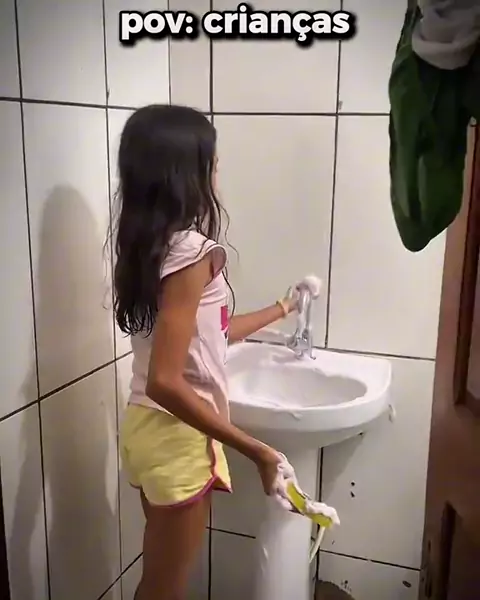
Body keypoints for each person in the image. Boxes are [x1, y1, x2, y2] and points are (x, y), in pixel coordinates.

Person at [112, 104, 298, 600]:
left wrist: (282, 308)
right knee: (165, 589)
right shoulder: (195, 253)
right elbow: (166, 380)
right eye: (212, 163)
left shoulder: (149, 248)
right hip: (177, 436)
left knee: (158, 581)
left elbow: (210, 334)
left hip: (145, 429)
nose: (217, 172)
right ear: (186, 175)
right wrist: (257, 450)